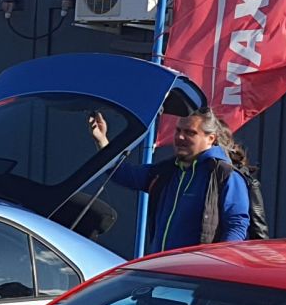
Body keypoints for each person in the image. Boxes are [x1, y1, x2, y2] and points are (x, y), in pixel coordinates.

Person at [86, 107, 251, 251]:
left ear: (211, 138)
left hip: (199, 276)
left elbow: (236, 225)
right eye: (178, 130)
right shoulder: (168, 171)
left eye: (190, 132)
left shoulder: (225, 175)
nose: (180, 137)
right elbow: (123, 174)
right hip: (164, 272)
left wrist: (216, 266)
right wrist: (102, 141)